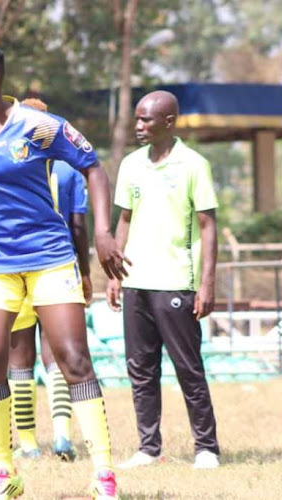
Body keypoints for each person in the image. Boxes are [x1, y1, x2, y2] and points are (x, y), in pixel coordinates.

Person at [0, 41, 126, 500]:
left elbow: (94, 169)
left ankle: (104, 473)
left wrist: (103, 234)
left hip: (49, 256)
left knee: (72, 358)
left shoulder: (40, 127)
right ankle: (5, 474)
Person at [107, 90, 221, 470]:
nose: (138, 126)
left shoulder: (194, 165)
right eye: (137, 119)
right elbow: (123, 220)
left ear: (169, 122)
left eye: (146, 120)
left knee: (188, 367)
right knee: (140, 368)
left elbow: (208, 227)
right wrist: (113, 274)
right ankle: (148, 448)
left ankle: (206, 448)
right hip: (135, 281)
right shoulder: (130, 165)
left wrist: (206, 284)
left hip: (176, 281)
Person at [7, 98, 93, 463]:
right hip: (59, 267)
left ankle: (28, 442)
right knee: (58, 356)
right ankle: (61, 434)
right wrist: (86, 271)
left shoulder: (9, 161)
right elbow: (78, 225)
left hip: (14, 266)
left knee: (19, 357)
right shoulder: (68, 168)